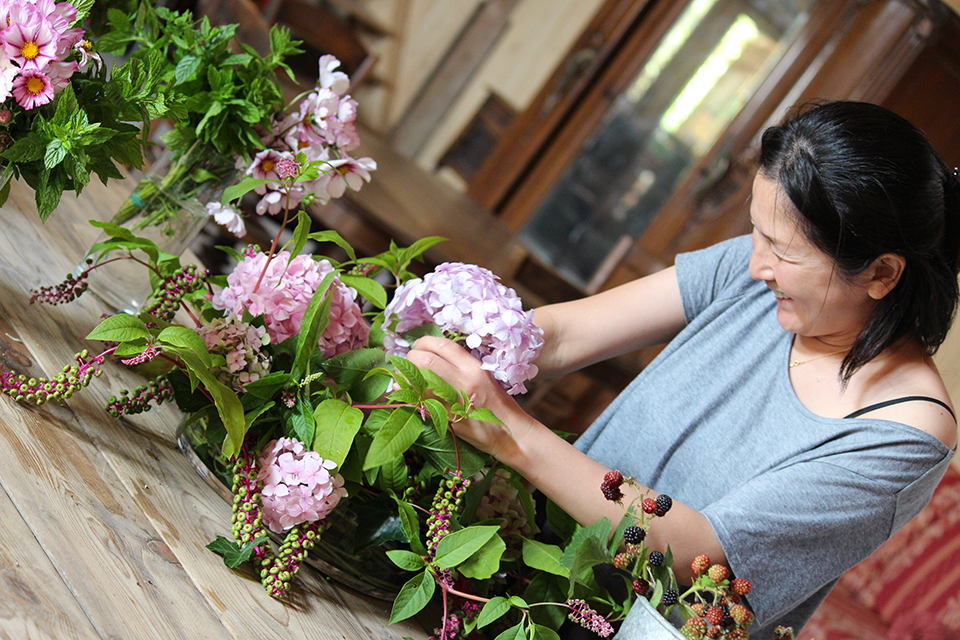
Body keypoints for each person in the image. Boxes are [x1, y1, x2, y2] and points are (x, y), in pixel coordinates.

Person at [407, 100, 959, 638]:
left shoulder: (906, 432)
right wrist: (483, 335)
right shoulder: (762, 275)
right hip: (519, 569)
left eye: (782, 250)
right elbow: (566, 334)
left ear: (881, 273)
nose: (756, 265)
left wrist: (508, 432)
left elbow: (695, 550)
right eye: (757, 231)